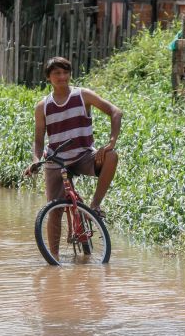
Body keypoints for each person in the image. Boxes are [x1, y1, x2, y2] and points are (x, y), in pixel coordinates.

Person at [24, 56, 122, 258]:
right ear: (49, 78)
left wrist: (111, 141)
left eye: (65, 72)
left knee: (111, 157)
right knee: (54, 210)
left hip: (83, 156)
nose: (62, 77)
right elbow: (39, 138)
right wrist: (36, 160)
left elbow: (115, 111)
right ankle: (54, 257)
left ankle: (94, 205)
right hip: (55, 161)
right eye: (56, 73)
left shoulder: (82, 95)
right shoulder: (42, 106)